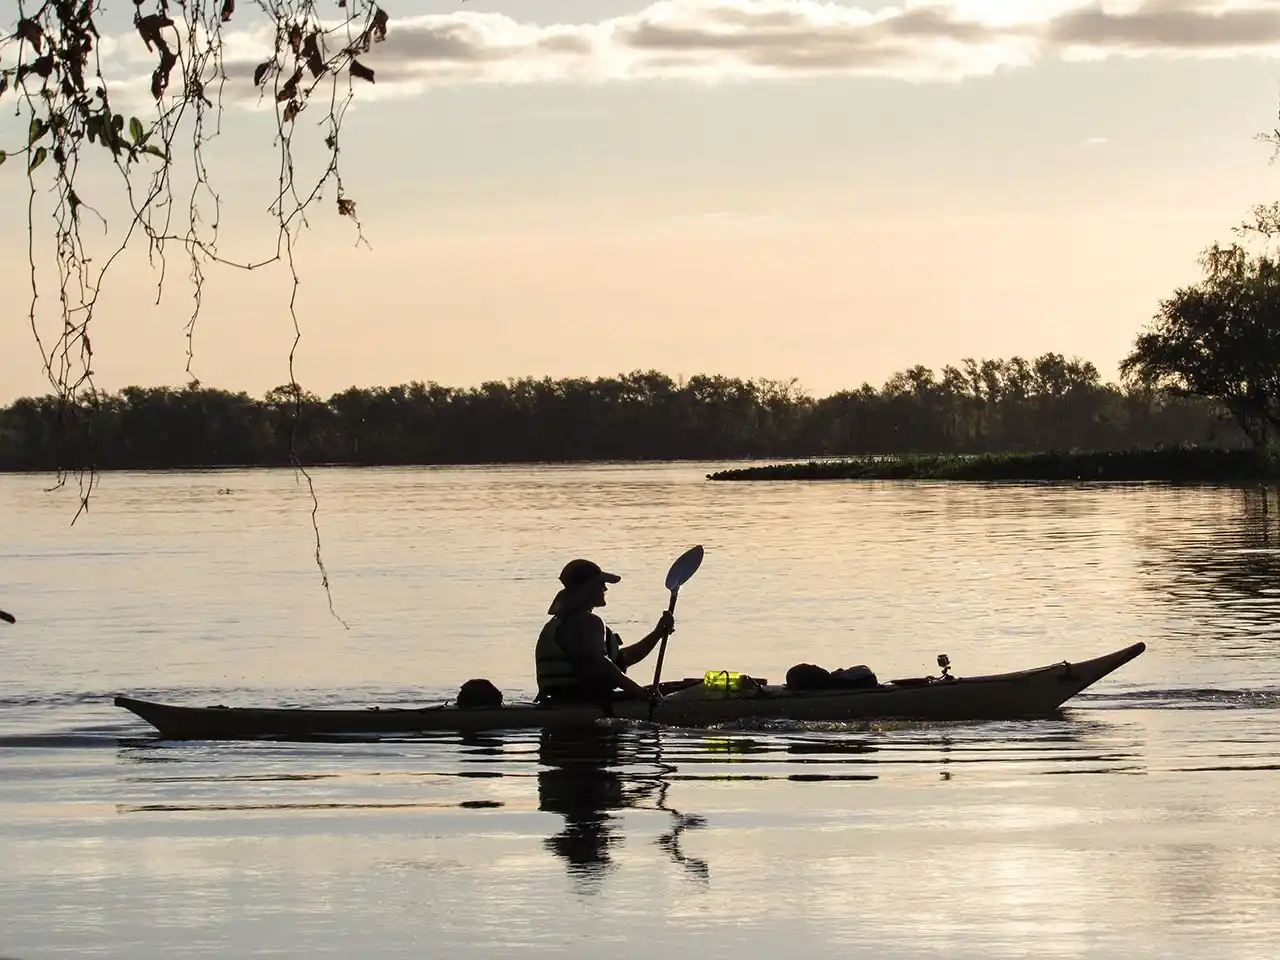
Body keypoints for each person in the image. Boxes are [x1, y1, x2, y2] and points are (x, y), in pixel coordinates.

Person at [536, 558, 675, 704]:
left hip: (560, 700)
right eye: (600, 584)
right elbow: (600, 665)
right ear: (587, 587)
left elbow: (621, 660)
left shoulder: (562, 621)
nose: (605, 589)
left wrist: (657, 633)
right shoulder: (587, 621)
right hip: (585, 702)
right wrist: (639, 692)